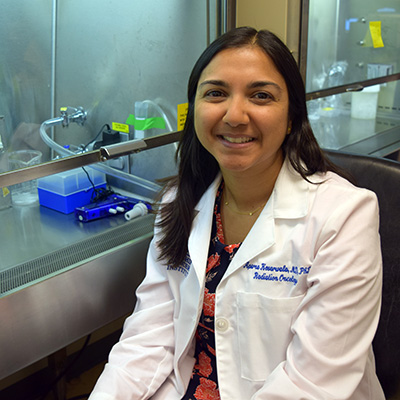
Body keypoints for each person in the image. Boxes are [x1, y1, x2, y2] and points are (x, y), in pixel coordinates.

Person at [89, 27, 384, 400]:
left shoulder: (344, 215)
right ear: (194, 108)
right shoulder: (181, 201)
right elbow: (148, 338)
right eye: (216, 93)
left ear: (292, 114)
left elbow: (312, 383)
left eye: (261, 95)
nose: (234, 115)